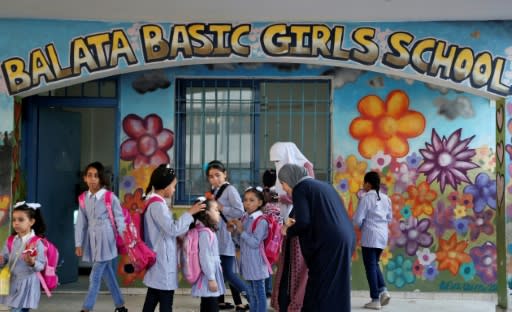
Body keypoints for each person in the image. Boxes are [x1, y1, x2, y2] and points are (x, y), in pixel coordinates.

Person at [278, 164, 355, 312]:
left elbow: (304, 222)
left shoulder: (300, 188)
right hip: (344, 238)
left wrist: (287, 230)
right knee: (337, 286)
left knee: (320, 286)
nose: (284, 188)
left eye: (283, 183)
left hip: (330, 243)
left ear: (290, 178)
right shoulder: (322, 186)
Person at [142, 164, 204, 312]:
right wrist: (190, 212)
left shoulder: (154, 202)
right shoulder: (157, 205)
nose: (175, 189)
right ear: (165, 186)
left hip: (159, 259)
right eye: (174, 186)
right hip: (162, 260)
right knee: (166, 300)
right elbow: (172, 229)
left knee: (153, 297)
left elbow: (166, 230)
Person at [74, 161, 128, 312]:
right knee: (108, 274)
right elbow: (80, 223)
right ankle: (121, 306)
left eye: (96, 176)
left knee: (95, 275)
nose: (92, 179)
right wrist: (78, 244)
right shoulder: (83, 198)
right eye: (89, 175)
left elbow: (119, 219)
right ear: (85, 178)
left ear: (101, 178)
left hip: (106, 237)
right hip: (92, 239)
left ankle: (87, 308)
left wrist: (124, 239)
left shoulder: (109, 197)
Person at [269, 142, 313, 312]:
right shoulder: (284, 171)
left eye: (278, 160)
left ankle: (297, 302)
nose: (277, 165)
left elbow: (307, 196)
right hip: (285, 221)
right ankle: (283, 301)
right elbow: (280, 191)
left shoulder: (305, 168)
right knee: (286, 262)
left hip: (299, 220)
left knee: (300, 264)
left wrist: (283, 199)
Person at [205, 161, 249, 312]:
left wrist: (222, 207)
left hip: (226, 235)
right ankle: (221, 301)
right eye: (211, 176)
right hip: (215, 235)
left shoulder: (230, 190)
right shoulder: (213, 189)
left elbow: (240, 211)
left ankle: (251, 297)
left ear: (225, 174)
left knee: (229, 272)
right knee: (222, 270)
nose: (214, 179)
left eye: (217, 175)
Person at [353, 171, 392, 310]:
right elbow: (389, 218)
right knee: (374, 264)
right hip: (382, 236)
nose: (363, 186)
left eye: (364, 183)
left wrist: (362, 225)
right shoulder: (386, 198)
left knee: (370, 267)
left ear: (368, 184)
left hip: (370, 236)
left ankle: (375, 299)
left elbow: (357, 220)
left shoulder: (366, 198)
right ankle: (383, 291)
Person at [228, 187, 270, 312]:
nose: (247, 203)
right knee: (251, 294)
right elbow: (240, 242)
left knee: (259, 293)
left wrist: (241, 231)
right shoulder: (245, 217)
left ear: (260, 203)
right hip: (247, 262)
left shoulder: (261, 220)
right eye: (245, 200)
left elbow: (255, 243)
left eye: (252, 200)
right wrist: (234, 232)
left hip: (257, 262)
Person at [0, 202, 46, 312]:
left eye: (21, 220)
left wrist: (32, 262)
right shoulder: (10, 240)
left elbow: (41, 266)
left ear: (31, 221)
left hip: (27, 284)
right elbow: (4, 259)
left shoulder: (36, 242)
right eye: (14, 220)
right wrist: (1, 260)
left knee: (18, 310)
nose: (16, 223)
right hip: (12, 282)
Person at [190, 198, 225, 312]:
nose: (219, 212)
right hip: (208, 275)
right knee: (211, 305)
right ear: (207, 213)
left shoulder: (206, 230)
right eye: (216, 210)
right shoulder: (205, 233)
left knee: (207, 303)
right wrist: (211, 278)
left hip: (209, 273)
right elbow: (204, 257)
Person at [261, 169, 279, 298]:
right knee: (276, 261)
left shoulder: (264, 193)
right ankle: (272, 289)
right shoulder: (279, 192)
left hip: (266, 232)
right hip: (279, 232)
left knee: (267, 259)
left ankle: (267, 288)